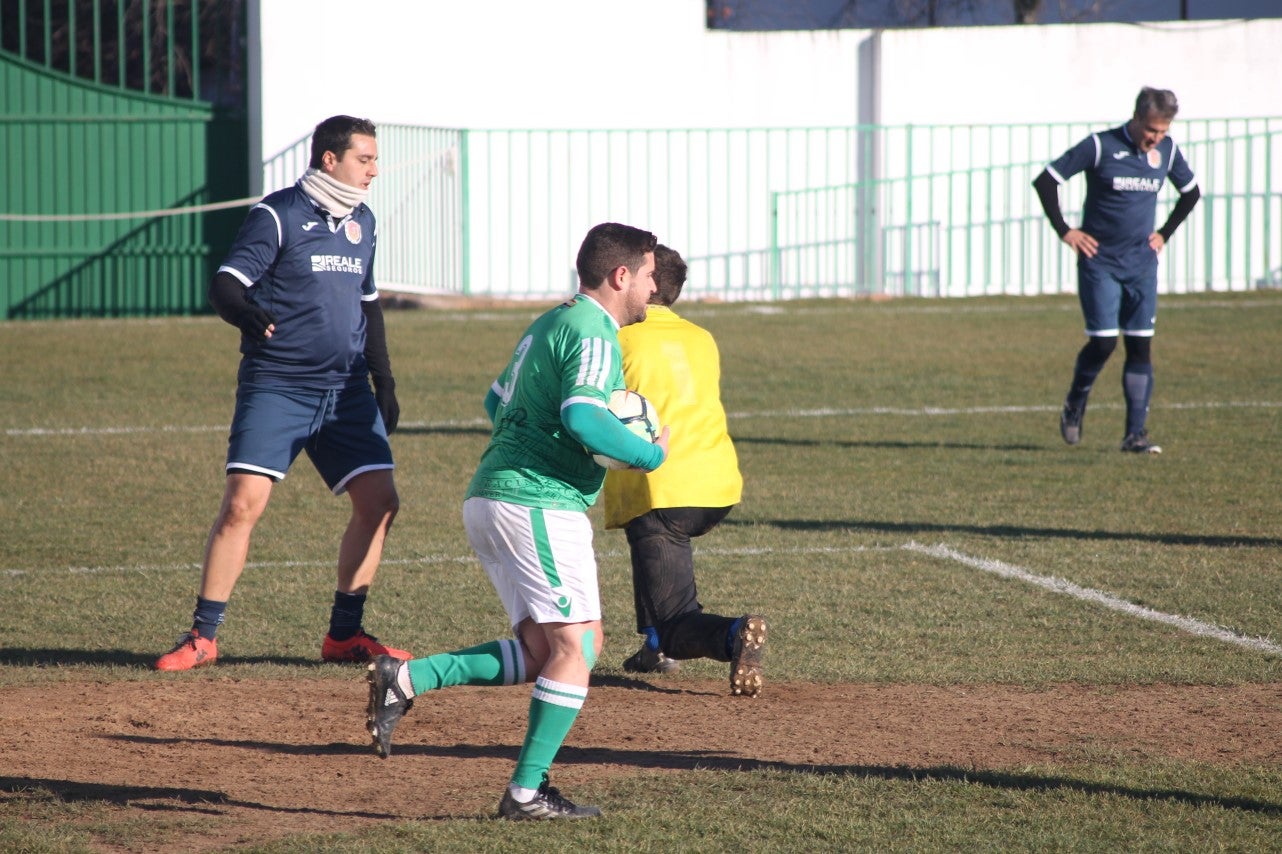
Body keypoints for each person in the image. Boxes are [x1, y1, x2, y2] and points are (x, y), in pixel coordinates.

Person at [365, 222, 669, 821]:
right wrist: (647, 452)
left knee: (541, 649)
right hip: (537, 503)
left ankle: (405, 679)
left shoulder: (551, 322)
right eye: (651, 275)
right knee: (576, 645)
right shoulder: (594, 331)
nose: (655, 289)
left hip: (498, 498)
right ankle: (526, 794)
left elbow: (495, 401)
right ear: (621, 275)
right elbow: (583, 418)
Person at [155, 115, 408, 670]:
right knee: (242, 505)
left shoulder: (362, 221)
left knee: (381, 503)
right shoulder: (277, 214)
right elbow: (226, 284)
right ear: (329, 159)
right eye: (365, 159)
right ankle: (203, 637)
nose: (374, 169)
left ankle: (344, 635)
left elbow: (368, 304)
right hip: (279, 386)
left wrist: (382, 378)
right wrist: (245, 314)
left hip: (345, 392)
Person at [602, 244, 767, 697]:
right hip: (717, 484)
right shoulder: (701, 336)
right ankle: (653, 648)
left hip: (664, 488)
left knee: (677, 618)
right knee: (649, 548)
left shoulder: (617, 338)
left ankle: (731, 635)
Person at [1033, 86, 1200, 455]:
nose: (1155, 138)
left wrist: (1164, 234)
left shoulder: (1167, 152)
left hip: (1141, 264)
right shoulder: (1100, 146)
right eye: (1151, 130)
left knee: (1140, 346)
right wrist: (1066, 231)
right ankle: (1076, 400)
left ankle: (1134, 436)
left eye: (1162, 132)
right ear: (1137, 117)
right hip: (1100, 262)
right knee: (1105, 342)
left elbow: (1191, 193)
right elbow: (1046, 181)